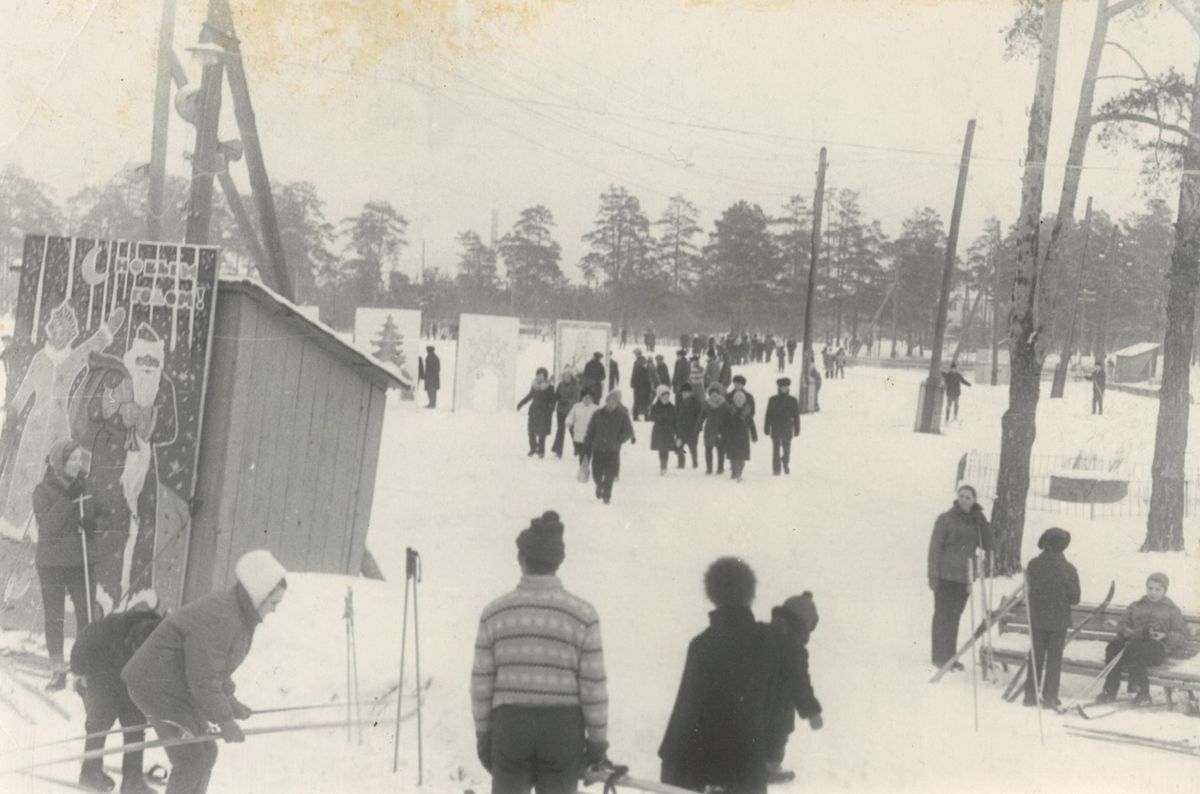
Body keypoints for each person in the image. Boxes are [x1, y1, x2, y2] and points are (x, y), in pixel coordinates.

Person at [123, 550, 287, 794]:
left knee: (207, 752)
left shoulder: (238, 614)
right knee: (190, 760)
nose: (274, 610)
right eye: (273, 603)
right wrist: (224, 719)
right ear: (258, 595)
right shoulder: (223, 616)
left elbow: (214, 666)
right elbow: (203, 676)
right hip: (156, 687)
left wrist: (230, 702)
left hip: (175, 686)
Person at [472, 512, 609, 794]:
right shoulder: (583, 614)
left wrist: (484, 734)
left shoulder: (495, 613)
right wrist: (597, 742)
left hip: (510, 729)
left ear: (521, 559)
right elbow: (593, 686)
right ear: (558, 562)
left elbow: (481, 684)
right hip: (562, 733)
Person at [659, 558, 780, 794]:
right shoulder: (767, 642)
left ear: (712, 594)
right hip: (749, 772)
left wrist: (670, 771)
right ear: (750, 593)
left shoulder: (703, 645)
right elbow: (772, 706)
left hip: (704, 771)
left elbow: (685, 714)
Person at [70, 608, 163, 793]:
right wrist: (78, 672)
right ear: (129, 641)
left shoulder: (161, 634)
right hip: (103, 673)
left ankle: (132, 781)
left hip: (132, 679)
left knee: (135, 725)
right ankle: (90, 774)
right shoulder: (109, 627)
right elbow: (83, 640)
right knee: (99, 724)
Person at [34, 438, 98, 691]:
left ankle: (81, 670)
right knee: (55, 617)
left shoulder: (85, 487)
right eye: (72, 459)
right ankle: (57, 671)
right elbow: (48, 526)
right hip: (52, 564)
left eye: (80, 459)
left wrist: (93, 525)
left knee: (86, 616)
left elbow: (104, 514)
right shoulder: (41, 491)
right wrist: (68, 498)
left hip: (81, 561)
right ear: (60, 462)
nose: (77, 464)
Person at [927, 485, 992, 669]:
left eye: (968, 497)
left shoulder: (976, 521)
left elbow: (988, 544)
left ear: (974, 500)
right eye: (961, 496)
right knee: (942, 616)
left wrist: (982, 521)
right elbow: (934, 549)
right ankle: (939, 657)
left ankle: (950, 657)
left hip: (964, 577)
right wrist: (933, 575)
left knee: (955, 617)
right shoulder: (945, 519)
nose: (964, 500)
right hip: (945, 577)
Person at [1099, 572, 1189, 705]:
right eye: (1150, 588)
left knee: (1137, 649)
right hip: (1133, 644)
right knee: (1113, 646)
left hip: (1157, 648)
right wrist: (1125, 631)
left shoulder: (1171, 610)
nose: (1153, 592)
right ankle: (1109, 691)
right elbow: (1122, 624)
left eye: (1158, 589)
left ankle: (1143, 694)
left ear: (1164, 590)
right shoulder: (1136, 606)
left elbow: (1182, 635)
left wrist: (1166, 636)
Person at [764, 593, 822, 785]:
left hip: (751, 699)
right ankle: (770, 766)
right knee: (781, 727)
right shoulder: (795, 648)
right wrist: (812, 712)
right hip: (778, 708)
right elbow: (800, 684)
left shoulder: (763, 634)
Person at [1023, 528, 1080, 709]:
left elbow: (1028, 590)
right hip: (1058, 622)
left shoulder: (1033, 564)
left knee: (1035, 657)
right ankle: (1050, 698)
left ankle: (1030, 697)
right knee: (1054, 661)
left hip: (1037, 619)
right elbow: (1075, 598)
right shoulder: (1069, 569)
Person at [584, 390, 635, 504]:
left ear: (617, 403)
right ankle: (599, 486)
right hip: (598, 449)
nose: (611, 404)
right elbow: (590, 430)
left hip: (612, 450)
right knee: (596, 473)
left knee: (609, 475)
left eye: (613, 402)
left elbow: (628, 431)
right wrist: (587, 443)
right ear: (606, 402)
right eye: (609, 401)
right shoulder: (597, 414)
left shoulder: (622, 415)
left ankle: (606, 496)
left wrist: (619, 440)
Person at [763, 378, 801, 476]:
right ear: (779, 388)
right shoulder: (773, 400)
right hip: (775, 427)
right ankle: (776, 470)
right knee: (776, 450)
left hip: (787, 428)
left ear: (788, 387)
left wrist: (797, 429)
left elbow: (796, 416)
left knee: (787, 450)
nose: (784, 389)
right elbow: (768, 415)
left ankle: (785, 462)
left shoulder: (793, 400)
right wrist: (766, 428)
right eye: (782, 387)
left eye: (786, 387)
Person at [516, 368, 557, 458]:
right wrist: (520, 404)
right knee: (531, 431)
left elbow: (553, 399)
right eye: (538, 375)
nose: (539, 377)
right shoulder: (534, 386)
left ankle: (541, 451)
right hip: (534, 412)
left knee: (542, 433)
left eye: (541, 375)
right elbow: (529, 396)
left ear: (545, 377)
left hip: (544, 412)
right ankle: (533, 448)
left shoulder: (549, 387)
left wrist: (551, 408)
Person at [565, 390, 599, 480]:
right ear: (582, 398)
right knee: (581, 454)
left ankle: (583, 471)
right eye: (585, 397)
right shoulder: (576, 406)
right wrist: (569, 422)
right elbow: (570, 417)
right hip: (578, 435)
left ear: (592, 398)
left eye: (589, 397)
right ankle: (584, 469)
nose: (587, 399)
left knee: (587, 454)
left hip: (590, 436)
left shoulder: (596, 408)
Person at [724, 390, 757, 483]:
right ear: (734, 401)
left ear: (744, 401)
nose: (739, 402)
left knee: (742, 457)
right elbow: (725, 423)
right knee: (733, 456)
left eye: (741, 400)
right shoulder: (730, 411)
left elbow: (752, 425)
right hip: (732, 436)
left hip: (743, 437)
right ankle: (734, 471)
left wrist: (754, 436)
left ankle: (739, 473)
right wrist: (724, 433)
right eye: (737, 400)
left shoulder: (747, 412)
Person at [698, 384, 729, 476]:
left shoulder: (724, 404)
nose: (714, 394)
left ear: (719, 393)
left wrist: (727, 429)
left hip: (720, 428)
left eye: (716, 392)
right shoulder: (707, 403)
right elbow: (702, 416)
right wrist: (699, 425)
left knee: (720, 449)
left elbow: (727, 417)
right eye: (712, 392)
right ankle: (709, 468)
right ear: (709, 393)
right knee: (709, 448)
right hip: (710, 429)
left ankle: (720, 468)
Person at [551, 366, 582, 459]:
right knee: (560, 429)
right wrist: (552, 405)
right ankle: (558, 451)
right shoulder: (560, 385)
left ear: (571, 376)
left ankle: (578, 448)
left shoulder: (575, 386)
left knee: (572, 429)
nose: (566, 377)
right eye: (564, 375)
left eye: (568, 376)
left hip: (570, 411)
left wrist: (568, 403)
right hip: (560, 410)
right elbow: (556, 396)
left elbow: (576, 398)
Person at [649, 386, 680, 475]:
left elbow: (675, 420)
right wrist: (661, 417)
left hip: (669, 432)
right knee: (661, 449)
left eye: (668, 396)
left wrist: (677, 433)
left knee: (665, 450)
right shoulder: (655, 407)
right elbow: (651, 417)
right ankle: (663, 467)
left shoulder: (672, 407)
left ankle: (664, 466)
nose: (666, 398)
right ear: (660, 397)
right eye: (664, 396)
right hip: (659, 432)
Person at [675, 383, 702, 470]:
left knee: (692, 448)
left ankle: (695, 463)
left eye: (686, 392)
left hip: (692, 429)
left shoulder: (696, 402)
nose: (684, 394)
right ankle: (681, 463)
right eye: (683, 393)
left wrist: (698, 428)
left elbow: (699, 416)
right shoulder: (680, 401)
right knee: (679, 447)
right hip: (681, 429)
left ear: (690, 393)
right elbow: (677, 414)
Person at [630, 349, 651, 422]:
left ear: (638, 354)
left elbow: (635, 374)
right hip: (643, 385)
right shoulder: (643, 361)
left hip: (639, 385)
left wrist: (633, 383)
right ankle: (646, 417)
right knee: (645, 401)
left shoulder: (639, 362)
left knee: (638, 401)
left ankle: (636, 417)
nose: (635, 355)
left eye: (635, 354)